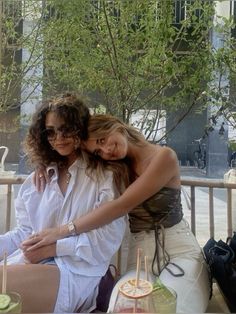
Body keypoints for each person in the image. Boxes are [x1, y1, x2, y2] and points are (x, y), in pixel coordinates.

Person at [23, 114, 211, 313]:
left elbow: (121, 205)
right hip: (140, 255)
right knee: (121, 307)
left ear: (116, 126)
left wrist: (61, 231)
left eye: (103, 140)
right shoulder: (115, 166)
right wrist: (43, 162)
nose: (106, 150)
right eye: (98, 150)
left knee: (169, 306)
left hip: (179, 250)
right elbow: (69, 154)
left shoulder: (164, 156)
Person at [0, 96, 127, 313]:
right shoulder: (38, 180)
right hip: (34, 265)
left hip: (80, 272)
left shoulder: (103, 176)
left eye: (66, 129)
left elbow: (107, 239)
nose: (59, 138)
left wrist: (55, 247)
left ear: (80, 128)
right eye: (50, 132)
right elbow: (26, 233)